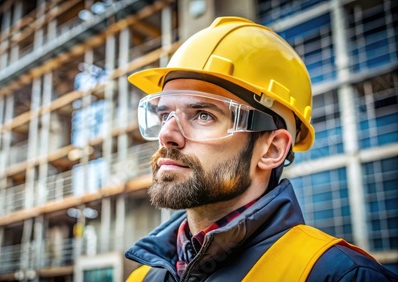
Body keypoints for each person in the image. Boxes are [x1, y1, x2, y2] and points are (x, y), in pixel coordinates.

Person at [124, 17, 398, 281]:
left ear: (272, 149)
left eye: (203, 115)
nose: (166, 135)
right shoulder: (141, 277)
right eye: (164, 116)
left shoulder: (342, 276)